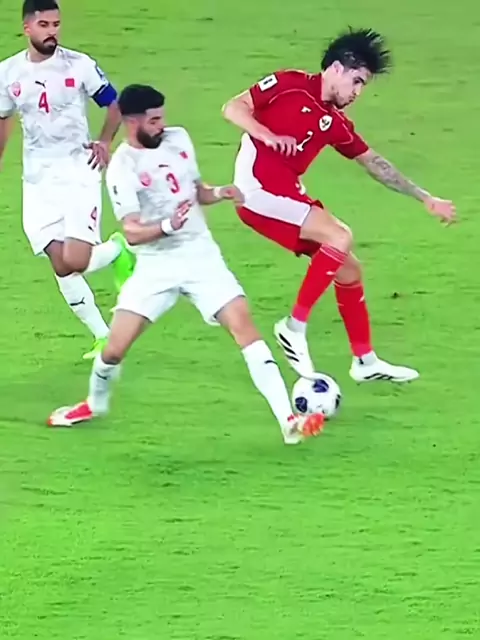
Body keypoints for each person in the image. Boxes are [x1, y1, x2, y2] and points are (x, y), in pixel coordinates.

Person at [47, 84, 325, 445]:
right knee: (114, 350)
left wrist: (219, 192)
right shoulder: (122, 167)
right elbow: (131, 232)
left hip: (200, 256)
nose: (162, 125)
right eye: (154, 120)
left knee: (243, 326)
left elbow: (197, 191)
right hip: (156, 265)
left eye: (162, 117)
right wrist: (168, 225)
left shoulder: (178, 139)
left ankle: (288, 421)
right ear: (132, 122)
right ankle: (93, 404)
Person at [222, 27, 456, 382]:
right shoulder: (289, 84)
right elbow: (233, 108)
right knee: (340, 235)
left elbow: (375, 163)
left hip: (287, 193)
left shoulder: (334, 122)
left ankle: (365, 361)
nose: (358, 92)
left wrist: (426, 197)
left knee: (349, 269)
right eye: (357, 81)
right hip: (256, 190)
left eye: (363, 85)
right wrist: (267, 135)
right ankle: (293, 327)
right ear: (336, 68)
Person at [0, 0, 134, 360]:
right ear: (27, 28)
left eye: (56, 24)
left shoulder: (79, 64)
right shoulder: (8, 72)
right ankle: (103, 337)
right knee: (59, 262)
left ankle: (118, 250)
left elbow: (114, 103)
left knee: (74, 260)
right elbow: (3, 119)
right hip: (37, 178)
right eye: (44, 25)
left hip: (78, 168)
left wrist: (104, 141)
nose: (52, 32)